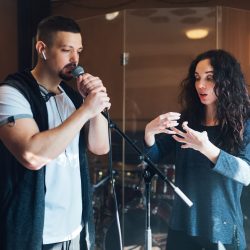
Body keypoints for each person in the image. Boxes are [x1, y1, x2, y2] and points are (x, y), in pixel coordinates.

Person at [0, 16, 111, 250]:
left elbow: (100, 147)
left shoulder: (71, 97)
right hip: (36, 235)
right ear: (42, 49)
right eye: (66, 50)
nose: (75, 59)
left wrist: (93, 103)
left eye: (78, 51)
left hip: (74, 231)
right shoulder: (12, 93)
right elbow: (32, 156)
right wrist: (85, 110)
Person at [143, 49, 250, 250]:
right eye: (197, 78)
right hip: (183, 224)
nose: (201, 85)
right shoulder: (187, 120)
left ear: (227, 81)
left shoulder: (244, 123)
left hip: (222, 227)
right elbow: (152, 158)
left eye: (210, 78)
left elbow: (246, 174)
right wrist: (149, 133)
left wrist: (207, 148)